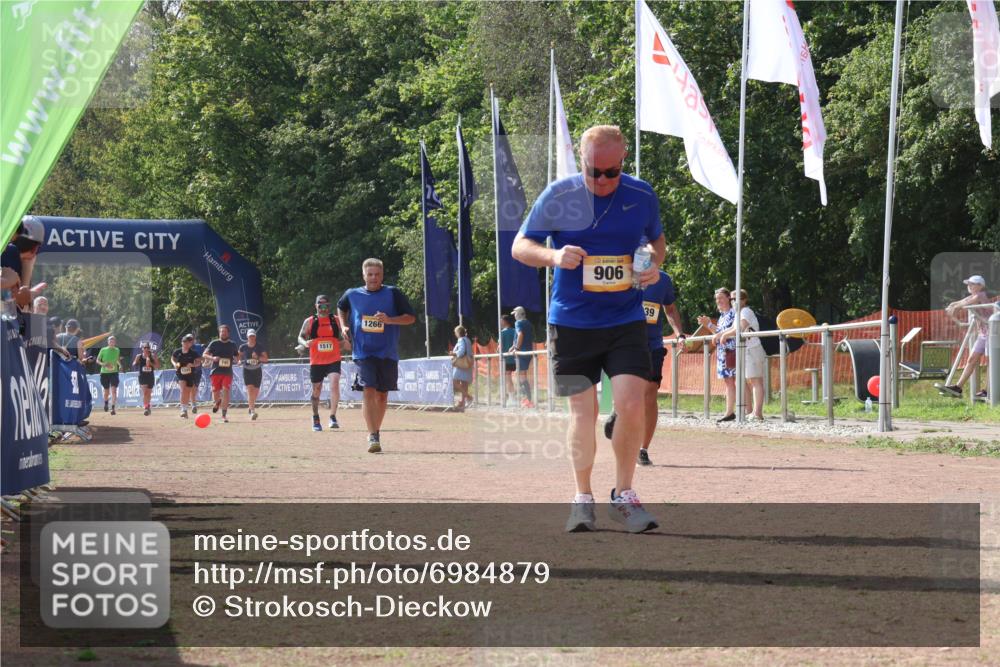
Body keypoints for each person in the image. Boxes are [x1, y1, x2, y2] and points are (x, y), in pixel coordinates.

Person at [512, 124, 665, 533]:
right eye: (592, 171)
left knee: (632, 404)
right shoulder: (560, 196)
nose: (600, 180)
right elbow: (521, 246)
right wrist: (554, 254)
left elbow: (657, 243)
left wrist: (650, 265)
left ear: (623, 161)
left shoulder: (640, 194)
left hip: (625, 319)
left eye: (610, 172)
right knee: (584, 412)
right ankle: (582, 498)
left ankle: (625, 495)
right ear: (581, 160)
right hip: (572, 323)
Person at [604, 269, 685, 466]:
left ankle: (643, 449)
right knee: (629, 395)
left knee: (649, 394)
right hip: (625, 343)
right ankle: (619, 408)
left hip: (653, 344)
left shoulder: (663, 279)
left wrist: (679, 333)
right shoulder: (621, 273)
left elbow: (670, 309)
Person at [338, 258, 416, 453]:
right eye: (370, 274)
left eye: (377, 274)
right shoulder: (352, 294)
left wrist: (389, 320)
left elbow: (410, 318)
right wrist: (344, 325)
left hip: (387, 352)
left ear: (382, 275)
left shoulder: (393, 293)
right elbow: (341, 307)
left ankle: (376, 431)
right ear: (363, 275)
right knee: (369, 390)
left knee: (382, 396)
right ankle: (372, 435)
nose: (373, 278)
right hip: (363, 352)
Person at [714, 289, 765, 420]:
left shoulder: (745, 311)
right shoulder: (739, 313)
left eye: (734, 299)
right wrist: (721, 334)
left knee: (756, 381)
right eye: (731, 299)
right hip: (747, 349)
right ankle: (753, 412)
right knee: (752, 380)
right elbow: (732, 328)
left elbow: (739, 328)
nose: (733, 302)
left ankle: (757, 413)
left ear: (743, 300)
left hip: (753, 348)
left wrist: (724, 334)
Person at [298, 295, 347, 431]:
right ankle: (315, 417)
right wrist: (305, 343)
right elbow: (300, 337)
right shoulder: (310, 321)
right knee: (316, 390)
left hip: (334, 359)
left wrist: (345, 342)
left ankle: (332, 417)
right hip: (317, 361)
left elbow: (342, 339)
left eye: (326, 305)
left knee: (334, 384)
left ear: (329, 306)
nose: (323, 308)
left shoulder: (335, 320)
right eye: (320, 305)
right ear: (316, 306)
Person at [939, 275, 992, 399]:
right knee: (971, 359)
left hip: (993, 332)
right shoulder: (973, 296)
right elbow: (958, 303)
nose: (969, 286)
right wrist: (952, 306)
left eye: (972, 284)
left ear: (980, 286)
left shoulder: (980, 295)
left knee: (991, 363)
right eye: (968, 284)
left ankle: (989, 390)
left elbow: (961, 305)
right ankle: (958, 387)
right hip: (983, 333)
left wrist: (954, 311)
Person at [697, 288, 737, 422]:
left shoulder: (733, 313)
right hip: (723, 352)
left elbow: (730, 331)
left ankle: (738, 411)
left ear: (728, 299)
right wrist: (708, 324)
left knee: (735, 381)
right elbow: (719, 332)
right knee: (728, 382)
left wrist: (710, 326)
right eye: (716, 299)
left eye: (720, 298)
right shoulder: (722, 316)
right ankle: (730, 411)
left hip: (731, 351)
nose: (718, 301)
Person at [204, 324, 239, 423]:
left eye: (225, 331)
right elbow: (204, 354)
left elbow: (237, 356)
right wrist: (213, 358)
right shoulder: (214, 343)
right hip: (216, 371)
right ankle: (217, 401)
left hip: (227, 372)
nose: (223, 333)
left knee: (226, 390)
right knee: (215, 392)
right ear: (219, 333)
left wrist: (238, 360)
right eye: (221, 332)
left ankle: (224, 416)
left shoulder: (232, 344)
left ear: (228, 333)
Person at [239, 328, 269, 420]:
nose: (251, 337)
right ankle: (252, 411)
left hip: (257, 370)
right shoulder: (243, 347)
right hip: (247, 370)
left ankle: (250, 406)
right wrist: (239, 360)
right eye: (250, 336)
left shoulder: (259, 346)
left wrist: (258, 358)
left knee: (255, 392)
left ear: (255, 337)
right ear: (247, 337)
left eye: (253, 336)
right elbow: (238, 356)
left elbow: (266, 359)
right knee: (250, 390)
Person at [508, 306, 535, 408]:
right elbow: (521, 337)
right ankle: (527, 399)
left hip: (522, 352)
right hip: (527, 351)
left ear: (519, 314)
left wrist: (517, 349)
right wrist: (513, 346)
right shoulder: (528, 323)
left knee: (521, 377)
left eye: (515, 314)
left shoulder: (518, 323)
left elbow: (520, 335)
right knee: (521, 376)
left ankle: (527, 400)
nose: (514, 316)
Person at [172, 333, 202, 418]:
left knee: (187, 391)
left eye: (187, 342)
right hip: (180, 373)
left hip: (190, 374)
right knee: (182, 389)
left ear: (190, 344)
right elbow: (172, 358)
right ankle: (183, 410)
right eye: (184, 342)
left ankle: (186, 408)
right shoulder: (177, 352)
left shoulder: (193, 353)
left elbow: (199, 361)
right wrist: (174, 364)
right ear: (181, 343)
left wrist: (192, 365)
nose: (185, 344)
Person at [132, 342, 160, 416]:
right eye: (145, 348)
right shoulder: (139, 356)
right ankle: (146, 408)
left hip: (150, 376)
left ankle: (148, 405)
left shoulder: (153, 356)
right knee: (145, 393)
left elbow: (157, 366)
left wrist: (150, 363)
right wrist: (135, 363)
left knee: (149, 393)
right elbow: (134, 363)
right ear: (142, 349)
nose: (146, 349)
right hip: (142, 376)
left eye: (148, 348)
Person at [97, 335, 122, 415]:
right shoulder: (103, 350)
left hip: (114, 372)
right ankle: (106, 403)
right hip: (104, 373)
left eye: (113, 341)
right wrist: (103, 364)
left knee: (114, 390)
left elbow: (117, 359)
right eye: (110, 341)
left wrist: (120, 365)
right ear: (108, 342)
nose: (112, 342)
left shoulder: (117, 350)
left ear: (115, 343)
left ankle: (113, 408)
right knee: (106, 391)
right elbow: (97, 360)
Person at [450, 325, 474, 411]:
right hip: (468, 363)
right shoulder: (467, 340)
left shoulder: (461, 340)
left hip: (461, 364)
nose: (454, 334)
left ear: (458, 333)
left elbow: (461, 351)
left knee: (454, 381)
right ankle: (463, 402)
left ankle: (468, 397)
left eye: (455, 332)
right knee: (464, 383)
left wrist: (454, 353)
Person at [499, 314, 517, 405]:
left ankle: (512, 398)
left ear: (505, 322)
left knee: (508, 379)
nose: (500, 322)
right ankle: (512, 397)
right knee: (512, 378)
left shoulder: (502, 333)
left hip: (506, 360)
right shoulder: (515, 331)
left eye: (501, 321)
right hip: (515, 359)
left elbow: (499, 348)